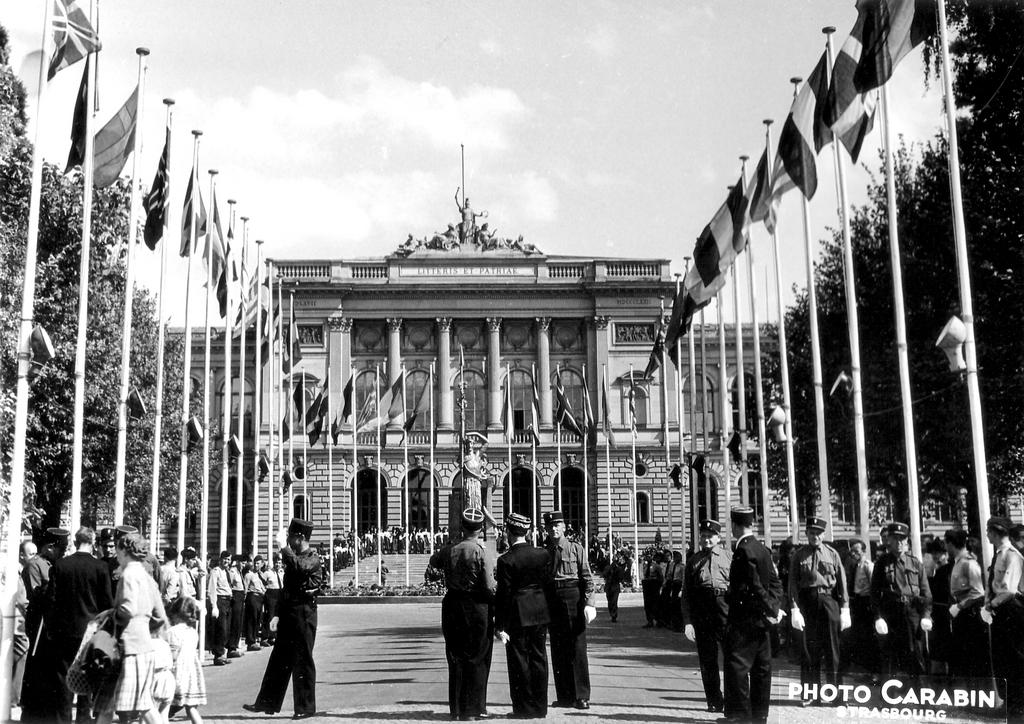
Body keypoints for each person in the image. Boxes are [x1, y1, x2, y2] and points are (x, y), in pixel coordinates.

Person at [244, 518, 325, 720]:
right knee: (279, 658)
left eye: (290, 537)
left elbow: (300, 568)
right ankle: (266, 702)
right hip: (289, 614)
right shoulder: (295, 558)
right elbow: (286, 589)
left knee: (302, 660)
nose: (289, 541)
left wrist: (283, 548)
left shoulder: (312, 557)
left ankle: (305, 707)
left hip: (304, 615)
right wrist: (277, 614)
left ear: (300, 537)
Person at [427, 508, 496, 721]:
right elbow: (489, 585)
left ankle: (456, 709)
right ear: (480, 529)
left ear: (463, 527)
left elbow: (434, 561)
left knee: (455, 656)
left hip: (452, 605)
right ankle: (473, 709)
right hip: (477, 606)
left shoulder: (450, 550)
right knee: (477, 656)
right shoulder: (481, 551)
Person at [46, 526, 114, 724]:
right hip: (91, 631)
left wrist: (51, 630)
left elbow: (52, 601)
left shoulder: (60, 565)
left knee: (63, 681)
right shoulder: (100, 567)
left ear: (75, 542)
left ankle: (63, 720)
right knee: (87, 679)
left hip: (64, 631)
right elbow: (107, 603)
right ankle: (83, 720)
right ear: (93, 543)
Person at [721, 506, 783, 724]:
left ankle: (740, 716)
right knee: (762, 669)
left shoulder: (743, 551)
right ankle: (760, 716)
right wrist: (773, 611)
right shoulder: (762, 549)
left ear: (735, 526)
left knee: (737, 666)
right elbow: (775, 584)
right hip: (763, 622)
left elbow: (754, 586)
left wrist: (767, 608)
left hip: (744, 620)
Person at [100, 532, 167, 724]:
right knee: (141, 704)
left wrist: (110, 617)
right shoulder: (147, 578)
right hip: (144, 646)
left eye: (117, 550)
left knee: (116, 705)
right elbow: (160, 617)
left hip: (127, 646)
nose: (115, 555)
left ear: (124, 550)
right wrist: (144, 626)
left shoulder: (128, 574)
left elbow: (127, 608)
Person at [494, 513, 552, 720]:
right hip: (539, 612)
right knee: (539, 658)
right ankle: (540, 707)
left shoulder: (506, 560)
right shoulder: (543, 554)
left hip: (517, 614)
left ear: (509, 533)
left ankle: (523, 707)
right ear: (527, 532)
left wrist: (499, 624)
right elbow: (548, 585)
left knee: (519, 660)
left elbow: (504, 594)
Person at [788, 516, 850, 698]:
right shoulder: (798, 555)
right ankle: (810, 695)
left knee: (833, 649)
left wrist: (845, 609)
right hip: (807, 603)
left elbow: (842, 583)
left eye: (818, 533)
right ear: (806, 534)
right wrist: (794, 609)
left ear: (824, 535)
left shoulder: (832, 554)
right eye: (811, 533)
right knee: (809, 650)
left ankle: (835, 694)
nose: (815, 536)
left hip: (829, 601)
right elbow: (792, 583)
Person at [544, 510, 596, 711]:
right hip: (552, 599)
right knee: (558, 647)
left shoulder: (576, 548)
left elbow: (588, 578)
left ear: (564, 526)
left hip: (573, 596)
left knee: (577, 648)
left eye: (557, 525)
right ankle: (564, 695)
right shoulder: (545, 551)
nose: (553, 529)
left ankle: (582, 695)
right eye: (550, 526)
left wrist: (589, 603)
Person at [681, 519, 732, 714]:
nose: (706, 540)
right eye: (703, 536)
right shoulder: (694, 561)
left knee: (731, 657)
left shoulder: (730, 557)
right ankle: (714, 700)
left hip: (724, 608)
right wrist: (688, 622)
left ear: (718, 538)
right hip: (702, 611)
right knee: (707, 660)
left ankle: (733, 697)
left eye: (710, 536)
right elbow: (686, 594)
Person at [870, 522, 932, 678]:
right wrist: (878, 617)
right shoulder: (881, 563)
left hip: (912, 613)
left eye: (902, 539)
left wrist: (926, 615)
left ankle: (920, 698)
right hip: (890, 613)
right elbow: (874, 593)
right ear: (889, 540)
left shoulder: (915, 563)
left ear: (907, 542)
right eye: (895, 539)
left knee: (916, 655)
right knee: (889, 657)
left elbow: (926, 593)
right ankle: (890, 699)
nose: (899, 543)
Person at [982, 516, 1024, 717]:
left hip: (1012, 612)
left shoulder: (1012, 556)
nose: (987, 535)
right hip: (1001, 611)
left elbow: (1009, 590)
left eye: (989, 531)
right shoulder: (999, 555)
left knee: (1014, 659)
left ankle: (1017, 704)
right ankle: (1008, 702)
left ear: (996, 532)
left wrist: (991, 605)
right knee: (1001, 659)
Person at [944, 528, 987, 680]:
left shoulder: (969, 563)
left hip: (969, 615)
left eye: (946, 543)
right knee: (961, 657)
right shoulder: (958, 562)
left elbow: (978, 592)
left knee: (970, 658)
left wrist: (960, 606)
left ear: (950, 544)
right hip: (960, 615)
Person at [166, 596, 206, 724]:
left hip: (178, 672)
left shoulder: (171, 632)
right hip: (192, 674)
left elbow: (172, 654)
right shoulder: (192, 632)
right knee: (191, 709)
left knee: (163, 707)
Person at [841, 538, 876, 675]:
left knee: (867, 637)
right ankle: (863, 669)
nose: (853, 554)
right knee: (859, 636)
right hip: (857, 602)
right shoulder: (856, 566)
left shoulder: (868, 565)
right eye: (852, 552)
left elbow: (873, 586)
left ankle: (871, 671)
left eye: (857, 551)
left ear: (864, 552)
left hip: (866, 603)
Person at [206, 551, 233, 666]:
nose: (226, 561)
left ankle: (222, 653)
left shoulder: (226, 572)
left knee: (225, 630)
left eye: (228, 559)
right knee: (220, 629)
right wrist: (214, 606)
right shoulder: (215, 571)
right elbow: (212, 589)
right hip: (220, 601)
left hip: (227, 601)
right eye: (225, 559)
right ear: (220, 559)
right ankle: (218, 655)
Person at [244, 555, 267, 651]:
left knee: (258, 619)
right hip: (252, 597)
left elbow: (263, 587)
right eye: (255, 563)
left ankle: (255, 639)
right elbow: (245, 588)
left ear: (262, 564)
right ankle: (250, 642)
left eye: (258, 563)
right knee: (252, 619)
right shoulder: (249, 574)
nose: (256, 565)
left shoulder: (260, 575)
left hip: (260, 598)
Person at [261, 554, 283, 647]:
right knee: (270, 615)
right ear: (273, 563)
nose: (277, 564)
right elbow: (261, 582)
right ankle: (265, 637)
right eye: (276, 563)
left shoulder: (282, 572)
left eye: (279, 562)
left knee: (278, 616)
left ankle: (274, 636)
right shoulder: (268, 573)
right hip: (271, 594)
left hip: (280, 594)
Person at [226, 555, 246, 658]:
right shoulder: (233, 572)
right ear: (237, 562)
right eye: (242, 562)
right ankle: (231, 647)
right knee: (235, 622)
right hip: (236, 596)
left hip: (241, 596)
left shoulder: (239, 572)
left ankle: (235, 646)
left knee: (239, 622)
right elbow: (229, 584)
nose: (244, 564)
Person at [641, 551, 665, 628]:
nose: (647, 558)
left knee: (655, 604)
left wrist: (658, 586)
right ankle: (649, 621)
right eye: (646, 556)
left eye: (649, 556)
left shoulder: (656, 566)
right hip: (647, 584)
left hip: (654, 585)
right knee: (647, 604)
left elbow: (661, 577)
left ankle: (658, 620)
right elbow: (644, 575)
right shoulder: (644, 565)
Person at [604, 552, 630, 623]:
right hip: (609, 586)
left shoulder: (619, 568)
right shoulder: (608, 567)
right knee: (610, 602)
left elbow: (620, 577)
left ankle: (614, 615)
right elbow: (604, 575)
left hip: (615, 586)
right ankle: (612, 614)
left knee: (614, 601)